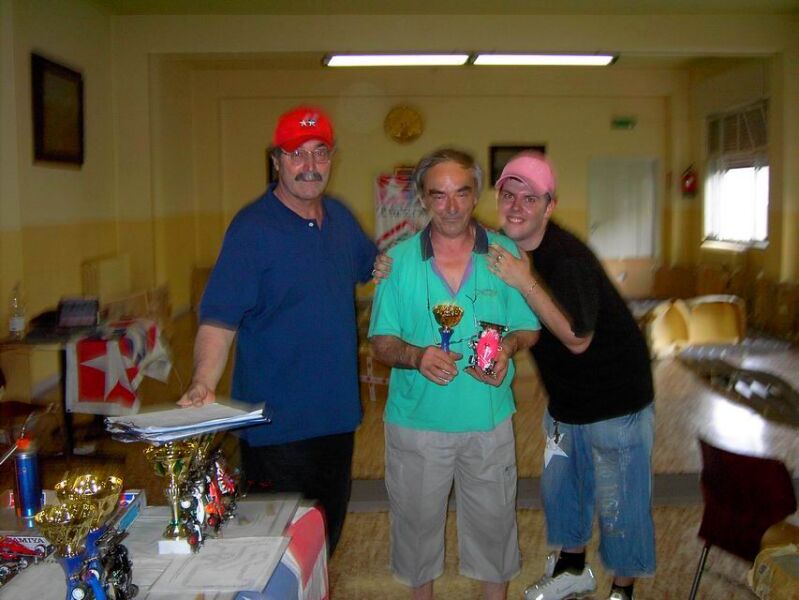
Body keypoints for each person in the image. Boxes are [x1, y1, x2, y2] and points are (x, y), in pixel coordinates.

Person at [177, 105, 377, 555]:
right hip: (276, 428)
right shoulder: (252, 229)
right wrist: (203, 381)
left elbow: (375, 265)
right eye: (296, 153)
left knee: (325, 541)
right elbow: (219, 319)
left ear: (332, 158)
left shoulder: (340, 219)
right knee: (277, 553)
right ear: (276, 161)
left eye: (320, 152)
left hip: (337, 419)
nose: (310, 165)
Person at [368, 148, 540, 600]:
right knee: (415, 534)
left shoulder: (504, 254)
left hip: (487, 421)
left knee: (495, 532)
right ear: (423, 198)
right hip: (417, 425)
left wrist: (509, 347)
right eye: (438, 195)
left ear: (476, 194)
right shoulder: (398, 261)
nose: (450, 206)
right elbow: (381, 342)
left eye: (461, 193)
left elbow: (528, 326)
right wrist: (416, 356)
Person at [487, 151, 655, 600]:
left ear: (549, 206)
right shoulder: (510, 250)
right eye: (509, 195)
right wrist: (384, 264)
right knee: (563, 490)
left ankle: (622, 591)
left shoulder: (565, 258)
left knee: (619, 502)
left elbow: (577, 337)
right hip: (567, 398)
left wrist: (524, 281)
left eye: (530, 198)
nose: (517, 206)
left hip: (615, 398)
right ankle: (573, 569)